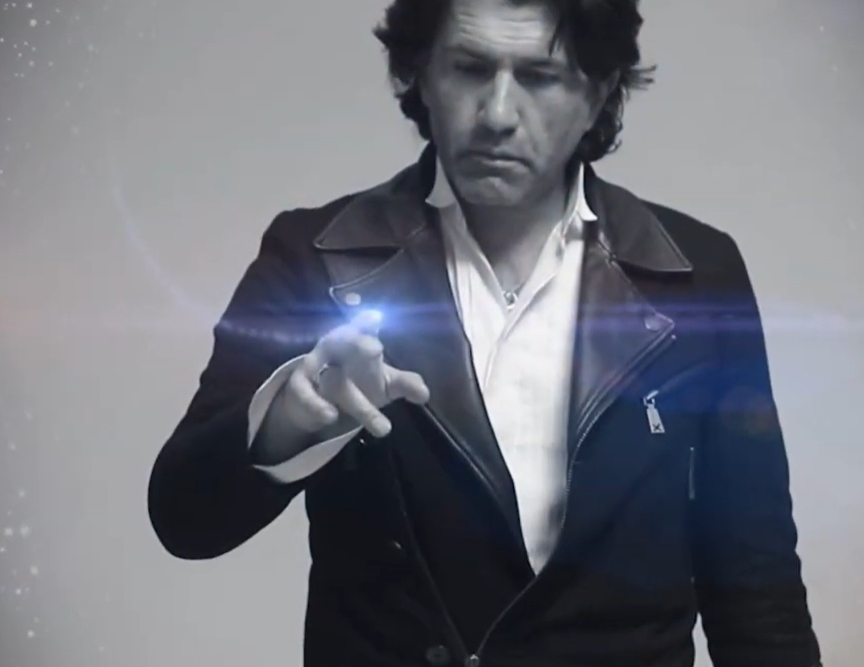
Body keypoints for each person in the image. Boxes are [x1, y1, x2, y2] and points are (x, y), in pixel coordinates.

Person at [147, 0, 822, 665]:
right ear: (420, 73)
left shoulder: (695, 275)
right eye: (470, 69)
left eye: (539, 76)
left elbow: (756, 585)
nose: (497, 114)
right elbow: (184, 518)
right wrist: (290, 420)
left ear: (599, 92)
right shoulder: (317, 256)